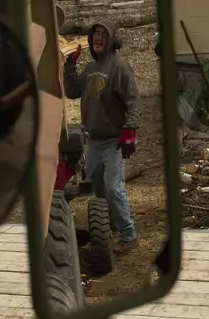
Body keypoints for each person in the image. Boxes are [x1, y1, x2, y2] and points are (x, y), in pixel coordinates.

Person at [63, 19, 141, 256]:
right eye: (95, 34)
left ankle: (129, 236)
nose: (98, 38)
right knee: (98, 187)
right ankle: (108, 226)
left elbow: (134, 102)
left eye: (103, 35)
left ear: (112, 40)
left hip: (113, 141)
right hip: (93, 141)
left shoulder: (119, 66)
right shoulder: (89, 68)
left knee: (113, 187)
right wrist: (70, 67)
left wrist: (129, 133)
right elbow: (72, 91)